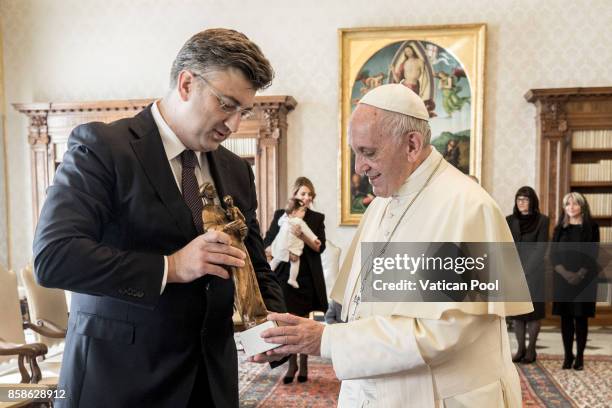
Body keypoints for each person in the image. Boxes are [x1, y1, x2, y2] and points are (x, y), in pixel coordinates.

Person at [32, 28, 287, 408]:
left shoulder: (235, 170)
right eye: (226, 104)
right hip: (119, 382)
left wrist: (269, 326)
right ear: (186, 83)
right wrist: (170, 266)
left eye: (243, 111)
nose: (234, 125)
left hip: (211, 385)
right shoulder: (103, 149)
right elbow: (55, 257)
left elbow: (253, 262)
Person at [258, 84, 532, 407]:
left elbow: (440, 331)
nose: (359, 168)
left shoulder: (468, 208)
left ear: (412, 145)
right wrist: (301, 336)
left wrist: (327, 340)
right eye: (355, 153)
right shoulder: (380, 205)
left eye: (368, 152)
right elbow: (363, 307)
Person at [263, 177, 328, 384]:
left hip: (307, 276)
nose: (306, 197)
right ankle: (291, 365)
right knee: (288, 319)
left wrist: (303, 237)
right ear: (295, 195)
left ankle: (304, 363)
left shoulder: (317, 218)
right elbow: (267, 243)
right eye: (303, 193)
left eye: (310, 194)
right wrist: (283, 251)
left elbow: (320, 247)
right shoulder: (281, 216)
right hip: (284, 275)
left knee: (304, 319)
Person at [551, 192, 600, 371]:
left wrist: (579, 274)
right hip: (563, 279)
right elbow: (553, 255)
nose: (571, 207)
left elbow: (593, 254)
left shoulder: (592, 227)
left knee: (580, 318)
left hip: (585, 279)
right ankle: (567, 356)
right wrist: (565, 273)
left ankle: (579, 357)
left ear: (582, 206)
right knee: (566, 318)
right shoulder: (559, 229)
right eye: (567, 204)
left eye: (575, 204)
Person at [506, 186, 550, 364]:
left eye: (525, 199)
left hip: (535, 273)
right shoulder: (509, 220)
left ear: (532, 201)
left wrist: (526, 270)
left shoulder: (543, 220)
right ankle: (520, 349)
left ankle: (531, 349)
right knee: (518, 314)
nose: (521, 202)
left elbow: (541, 248)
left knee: (533, 313)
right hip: (515, 273)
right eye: (519, 199)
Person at [269, 198, 320, 289]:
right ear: (294, 212)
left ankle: (269, 271)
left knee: (276, 260)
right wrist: (315, 238)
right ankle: (292, 279)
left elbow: (279, 222)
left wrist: (286, 213)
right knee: (296, 262)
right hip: (292, 247)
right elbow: (308, 232)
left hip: (281, 247)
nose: (304, 213)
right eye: (302, 211)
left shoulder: (284, 219)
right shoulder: (299, 222)